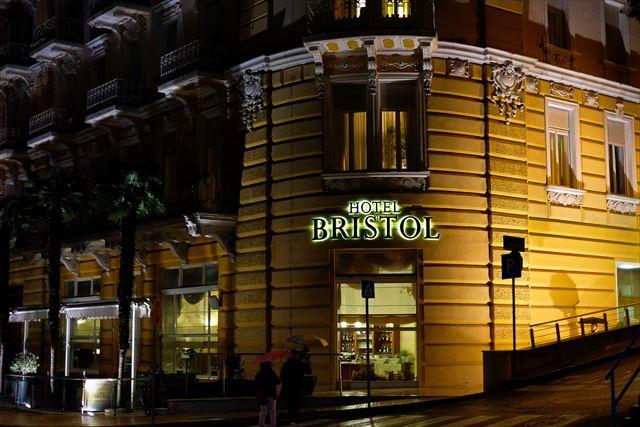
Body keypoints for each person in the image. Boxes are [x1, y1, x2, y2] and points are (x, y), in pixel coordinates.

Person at [280, 350, 312, 422]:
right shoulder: (300, 363)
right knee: (296, 404)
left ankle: (291, 418)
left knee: (290, 405)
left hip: (289, 387)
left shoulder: (287, 364)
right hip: (298, 387)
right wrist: (306, 363)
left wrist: (284, 383)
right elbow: (309, 371)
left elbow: (282, 375)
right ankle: (295, 418)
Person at [255, 361, 280, 427]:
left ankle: (261, 424)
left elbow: (256, 384)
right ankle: (273, 424)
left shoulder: (259, 374)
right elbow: (277, 381)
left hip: (263, 395)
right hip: (271, 394)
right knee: (272, 411)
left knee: (262, 411)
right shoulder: (272, 372)